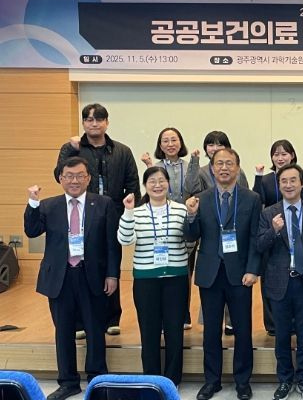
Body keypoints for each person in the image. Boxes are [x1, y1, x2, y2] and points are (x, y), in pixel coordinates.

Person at [25, 156, 120, 400]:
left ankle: (97, 380)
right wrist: (33, 202)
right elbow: (32, 231)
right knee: (63, 331)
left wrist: (112, 274)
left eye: (79, 176)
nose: (74, 181)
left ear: (88, 178)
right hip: (61, 276)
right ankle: (68, 382)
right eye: (69, 176)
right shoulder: (49, 205)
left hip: (93, 275)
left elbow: (112, 243)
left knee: (95, 330)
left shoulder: (103, 204)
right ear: (60, 178)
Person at [54, 103, 140, 336]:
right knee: (80, 265)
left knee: (111, 263)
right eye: (89, 119)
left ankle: (112, 318)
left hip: (113, 215)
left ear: (107, 122)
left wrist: (126, 215)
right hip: (81, 215)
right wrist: (70, 150)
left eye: (99, 119)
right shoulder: (72, 148)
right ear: (83, 123)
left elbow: (133, 184)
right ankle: (80, 322)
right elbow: (58, 175)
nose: (94, 123)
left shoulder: (122, 150)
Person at [184, 148, 261, 400]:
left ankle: (242, 381)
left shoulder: (251, 198)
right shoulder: (201, 199)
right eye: (219, 163)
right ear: (212, 168)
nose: (224, 168)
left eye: (229, 163)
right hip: (210, 273)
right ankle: (212, 381)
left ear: (237, 168)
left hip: (240, 274)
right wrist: (191, 216)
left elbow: (254, 238)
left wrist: (253, 269)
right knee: (210, 332)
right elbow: (191, 235)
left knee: (243, 330)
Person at [257, 164, 303, 400]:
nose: (288, 185)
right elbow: (259, 246)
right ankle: (285, 379)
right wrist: (274, 231)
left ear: (302, 183)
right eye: (284, 181)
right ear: (279, 185)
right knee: (282, 335)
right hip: (279, 282)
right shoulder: (269, 214)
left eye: (293, 180)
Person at [117, 166, 190, 386]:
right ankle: (151, 378)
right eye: (152, 181)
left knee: (174, 330)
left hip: (176, 278)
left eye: (161, 181)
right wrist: (128, 211)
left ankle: (172, 380)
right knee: (149, 331)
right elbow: (124, 239)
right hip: (145, 280)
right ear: (145, 186)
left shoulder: (181, 210)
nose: (157, 185)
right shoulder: (136, 212)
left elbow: (190, 241)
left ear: (168, 183)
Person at [185, 130, 248, 335]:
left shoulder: (240, 175)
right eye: (210, 144)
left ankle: (230, 322)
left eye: (219, 144)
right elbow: (191, 187)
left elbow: (246, 201)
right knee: (211, 318)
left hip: (235, 242)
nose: (215, 148)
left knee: (238, 307)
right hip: (211, 240)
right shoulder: (203, 172)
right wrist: (193, 162)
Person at [253, 139, 303, 336]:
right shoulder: (267, 179)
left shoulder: (300, 176)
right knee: (271, 278)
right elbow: (258, 200)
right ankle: (272, 324)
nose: (280, 158)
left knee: (294, 283)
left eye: (284, 153)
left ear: (292, 155)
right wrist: (258, 177)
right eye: (276, 154)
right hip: (272, 229)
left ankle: (293, 322)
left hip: (294, 231)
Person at [140, 127, 195, 330]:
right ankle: (161, 317)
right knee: (160, 271)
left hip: (183, 222)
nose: (170, 144)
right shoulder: (156, 168)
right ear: (160, 145)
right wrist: (148, 166)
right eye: (165, 141)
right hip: (159, 224)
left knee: (184, 270)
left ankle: (183, 315)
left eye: (174, 140)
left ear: (180, 143)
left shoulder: (190, 167)